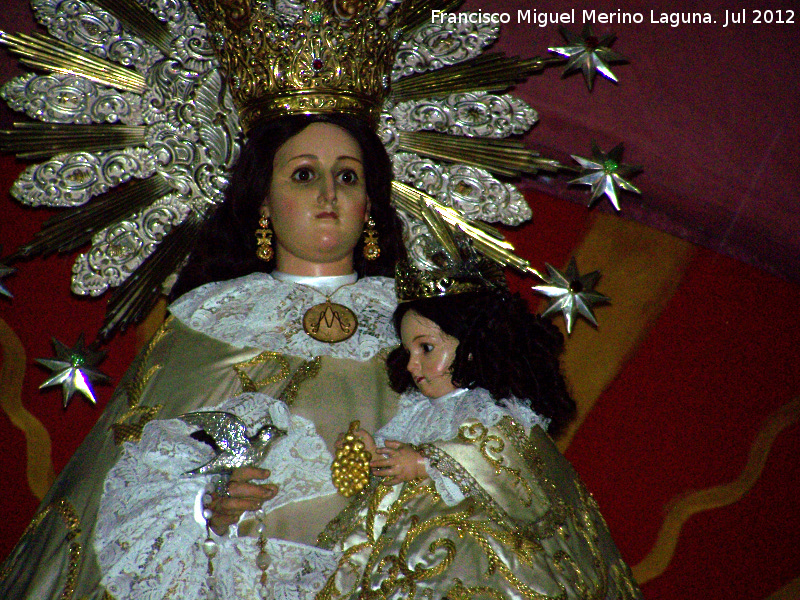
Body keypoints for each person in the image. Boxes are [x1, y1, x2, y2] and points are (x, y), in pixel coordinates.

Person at [0, 113, 407, 600]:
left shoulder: (419, 320)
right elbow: (137, 461)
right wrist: (205, 504)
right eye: (303, 174)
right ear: (264, 202)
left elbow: (473, 444)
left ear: (368, 206)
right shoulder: (210, 319)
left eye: (347, 176)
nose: (328, 194)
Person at [318, 266, 643, 599]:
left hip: (481, 558)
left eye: (426, 348)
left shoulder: (495, 410)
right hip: (410, 554)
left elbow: (509, 465)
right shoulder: (416, 412)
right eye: (408, 352)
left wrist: (430, 462)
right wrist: (376, 456)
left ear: (472, 344)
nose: (412, 365)